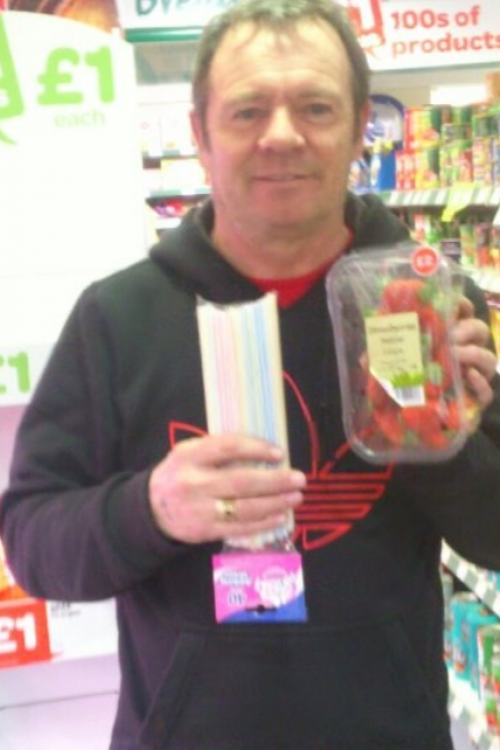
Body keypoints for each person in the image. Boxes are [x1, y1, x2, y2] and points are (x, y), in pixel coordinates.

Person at [1, 1, 500, 748]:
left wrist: (437, 436)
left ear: (359, 127)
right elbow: (35, 546)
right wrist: (151, 509)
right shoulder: (118, 318)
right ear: (200, 134)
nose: (282, 135)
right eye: (247, 110)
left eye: (316, 107)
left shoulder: (430, 304)